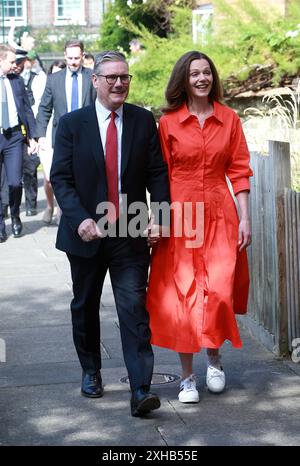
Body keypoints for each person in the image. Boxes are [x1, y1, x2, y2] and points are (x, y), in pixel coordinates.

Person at [50, 51, 170, 417]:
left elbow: (157, 173)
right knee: (84, 305)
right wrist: (79, 218)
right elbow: (61, 178)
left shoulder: (141, 120)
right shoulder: (72, 124)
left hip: (130, 232)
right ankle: (91, 370)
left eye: (125, 77)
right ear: (96, 81)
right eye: (112, 77)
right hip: (86, 233)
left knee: (134, 308)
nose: (120, 83)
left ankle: (141, 389)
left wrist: (159, 216)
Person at [146, 51, 253, 403]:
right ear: (184, 80)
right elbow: (159, 175)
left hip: (221, 213)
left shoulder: (230, 119)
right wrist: (157, 218)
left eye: (207, 72)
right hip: (181, 213)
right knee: (184, 295)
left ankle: (215, 358)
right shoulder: (170, 123)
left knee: (219, 289)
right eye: (194, 74)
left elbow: (238, 170)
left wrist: (246, 217)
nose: (202, 78)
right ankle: (187, 377)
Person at [36, 39, 96, 224]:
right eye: (70, 58)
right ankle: (64, 215)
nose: (73, 62)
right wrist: (40, 136)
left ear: (83, 56)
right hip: (62, 136)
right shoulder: (54, 79)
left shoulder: (92, 77)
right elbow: (45, 108)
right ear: (64, 56)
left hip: (87, 136)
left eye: (77, 58)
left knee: (85, 177)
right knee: (61, 177)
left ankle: (86, 214)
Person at [0, 44, 37, 243]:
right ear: (0, 60)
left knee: (15, 182)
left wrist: (33, 137)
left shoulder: (16, 81)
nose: (16, 65)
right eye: (12, 61)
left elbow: (27, 110)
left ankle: (15, 214)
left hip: (14, 137)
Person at [38, 60, 66, 225]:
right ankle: (50, 205)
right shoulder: (47, 85)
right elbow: (42, 110)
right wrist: (38, 136)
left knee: (65, 176)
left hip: (65, 136)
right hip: (48, 136)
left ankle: (61, 209)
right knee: (49, 177)